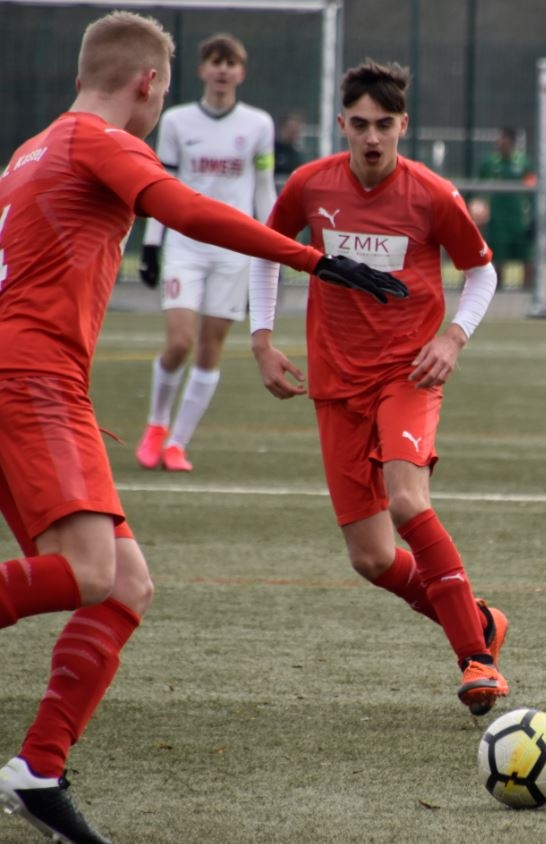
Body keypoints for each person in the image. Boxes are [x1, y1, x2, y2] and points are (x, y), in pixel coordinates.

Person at [0, 13, 403, 843]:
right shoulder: (99, 140)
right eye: (166, 86)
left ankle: (38, 769)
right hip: (30, 382)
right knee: (83, 573)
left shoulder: (30, 149)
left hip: (33, 380)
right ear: (149, 83)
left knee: (123, 585)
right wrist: (314, 259)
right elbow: (184, 208)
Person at [247, 60, 510, 719]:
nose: (371, 138)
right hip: (336, 383)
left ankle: (473, 659)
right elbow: (267, 251)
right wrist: (262, 340)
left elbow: (482, 274)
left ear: (403, 127)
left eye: (383, 126)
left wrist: (452, 339)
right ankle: (479, 623)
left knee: (405, 500)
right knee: (370, 558)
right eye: (359, 125)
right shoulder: (310, 186)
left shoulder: (431, 194)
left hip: (407, 374)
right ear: (341, 125)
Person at [135, 33, 276, 472]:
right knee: (179, 341)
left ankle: (178, 442)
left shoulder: (259, 125)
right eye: (214, 61)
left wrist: (271, 249)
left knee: (210, 347)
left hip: (232, 250)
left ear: (242, 72)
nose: (222, 69)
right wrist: (153, 245)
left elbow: (265, 191)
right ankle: (156, 424)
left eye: (230, 63)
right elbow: (163, 188)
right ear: (200, 70)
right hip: (185, 245)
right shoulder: (176, 122)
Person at [476, 126, 535, 289]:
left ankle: (527, 291)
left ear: (512, 142)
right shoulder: (490, 163)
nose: (501, 144)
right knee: (497, 259)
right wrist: (478, 208)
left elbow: (532, 190)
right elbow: (477, 187)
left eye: (505, 140)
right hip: (497, 219)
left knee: (527, 258)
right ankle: (497, 291)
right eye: (500, 140)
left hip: (518, 220)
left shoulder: (523, 164)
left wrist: (533, 217)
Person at [274, 110, 305, 178]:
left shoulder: (296, 155)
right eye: (291, 130)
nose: (293, 134)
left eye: (295, 131)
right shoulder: (272, 150)